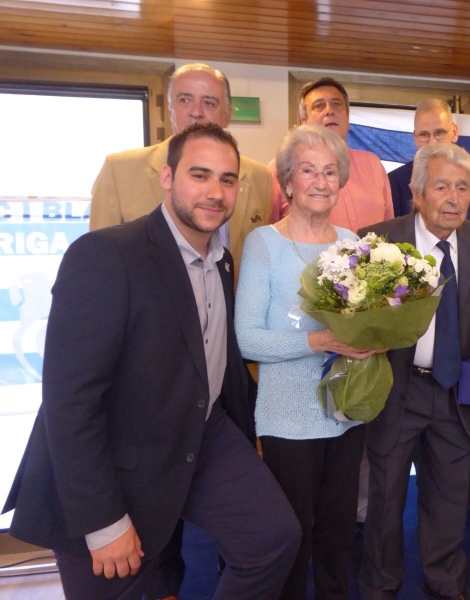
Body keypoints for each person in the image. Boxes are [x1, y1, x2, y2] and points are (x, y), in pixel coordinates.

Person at [2, 123, 300, 600]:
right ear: (167, 178)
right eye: (199, 175)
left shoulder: (221, 259)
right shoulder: (104, 255)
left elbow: (215, 365)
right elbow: (69, 402)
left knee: (273, 540)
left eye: (227, 180)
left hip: (200, 436)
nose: (214, 192)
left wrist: (250, 442)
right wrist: (102, 522)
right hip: (110, 458)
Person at [358, 143, 470, 600]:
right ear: (417, 192)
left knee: (447, 506)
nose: (453, 197)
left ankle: (445, 588)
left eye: (462, 188)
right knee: (384, 505)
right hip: (396, 391)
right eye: (442, 186)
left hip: (455, 394)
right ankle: (381, 589)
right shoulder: (379, 241)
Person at [235, 124, 373, 600]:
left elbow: (366, 321)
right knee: (291, 536)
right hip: (287, 418)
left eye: (329, 171)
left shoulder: (355, 241)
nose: (319, 181)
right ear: (288, 181)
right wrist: (318, 340)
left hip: (344, 412)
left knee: (338, 535)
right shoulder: (263, 243)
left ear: (341, 181)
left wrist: (369, 339)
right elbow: (247, 339)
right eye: (308, 170)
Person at [90, 62, 272, 279]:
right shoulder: (119, 171)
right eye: (184, 100)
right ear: (170, 110)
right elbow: (99, 264)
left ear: (227, 115)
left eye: (209, 102)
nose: (196, 112)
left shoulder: (259, 177)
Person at [269, 76, 393, 231]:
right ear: (304, 122)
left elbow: (390, 229)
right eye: (319, 106)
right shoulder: (281, 167)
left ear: (348, 119)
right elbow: (271, 229)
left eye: (336, 104)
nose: (329, 110)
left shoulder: (373, 164)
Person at [388, 98, 470, 227]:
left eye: (439, 133)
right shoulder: (395, 181)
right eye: (424, 135)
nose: (432, 142)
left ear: (454, 132)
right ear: (415, 138)